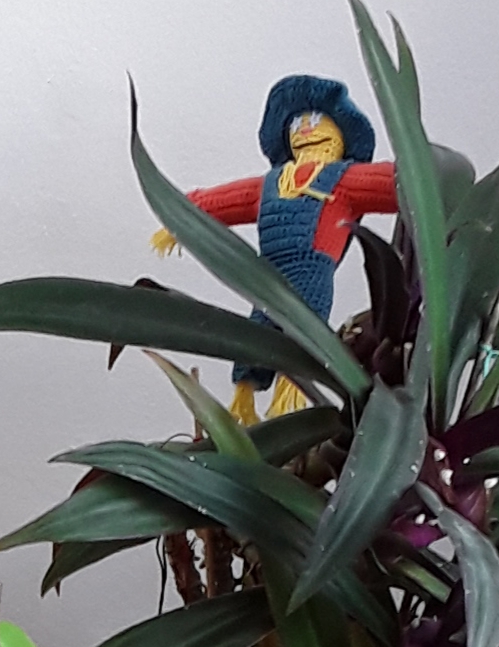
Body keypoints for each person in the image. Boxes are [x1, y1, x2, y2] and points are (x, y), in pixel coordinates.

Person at [154, 74, 396, 420]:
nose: (306, 130)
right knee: (257, 335)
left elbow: (394, 182)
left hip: (311, 271)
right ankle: (244, 404)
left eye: (316, 120)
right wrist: (184, 211)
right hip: (265, 275)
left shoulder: (345, 180)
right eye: (296, 124)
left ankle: (288, 402)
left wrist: (430, 179)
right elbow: (228, 199)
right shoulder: (271, 183)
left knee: (303, 332)